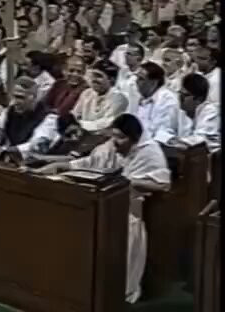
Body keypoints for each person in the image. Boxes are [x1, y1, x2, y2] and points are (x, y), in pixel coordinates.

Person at [35, 114, 171, 303]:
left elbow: (163, 184)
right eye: (113, 135)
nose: (115, 142)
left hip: (128, 212)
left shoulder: (149, 152)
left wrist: (126, 183)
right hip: (102, 204)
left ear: (134, 138)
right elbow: (90, 163)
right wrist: (61, 166)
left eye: (121, 137)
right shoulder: (111, 146)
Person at [0, 77, 59, 162]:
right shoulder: (10, 111)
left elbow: (36, 146)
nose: (14, 101)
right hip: (9, 160)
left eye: (20, 97)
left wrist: (4, 151)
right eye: (13, 97)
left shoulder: (49, 118)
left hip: (35, 165)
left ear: (33, 97)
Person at [166, 73, 220, 155]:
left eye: (184, 96)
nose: (180, 98)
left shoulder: (210, 111)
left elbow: (200, 139)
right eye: (179, 93)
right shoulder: (181, 111)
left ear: (198, 99)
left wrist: (175, 141)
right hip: (186, 154)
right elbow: (166, 130)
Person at [72, 59, 128, 132]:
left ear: (111, 79)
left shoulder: (119, 99)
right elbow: (75, 115)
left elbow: (105, 124)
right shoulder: (87, 93)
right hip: (81, 133)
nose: (94, 79)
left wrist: (79, 124)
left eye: (98, 76)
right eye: (93, 76)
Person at [130, 61, 179, 143]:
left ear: (153, 83)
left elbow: (164, 132)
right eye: (137, 77)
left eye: (141, 79)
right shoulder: (136, 95)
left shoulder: (168, 99)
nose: (136, 81)